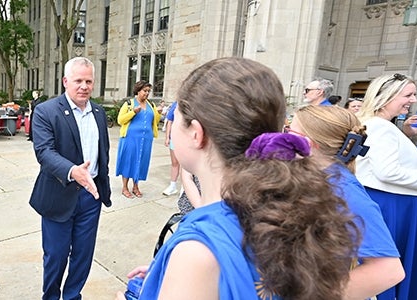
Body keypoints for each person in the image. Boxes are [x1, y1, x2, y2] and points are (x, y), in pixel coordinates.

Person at [117, 57, 360, 299]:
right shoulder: (284, 210)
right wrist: (170, 277)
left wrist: (188, 271)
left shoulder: (198, 251)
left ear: (196, 134)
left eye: (177, 118)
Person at [287, 105, 404, 299]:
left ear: (307, 143)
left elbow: (388, 270)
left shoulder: (343, 192)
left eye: (289, 132)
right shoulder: (317, 178)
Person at [29, 57, 111, 300]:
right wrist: (73, 171)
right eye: (78, 81)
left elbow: (102, 152)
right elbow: (44, 152)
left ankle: (73, 295)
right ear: (65, 81)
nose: (84, 86)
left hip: (90, 197)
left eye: (89, 81)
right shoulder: (46, 111)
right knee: (56, 255)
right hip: (59, 195)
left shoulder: (98, 112)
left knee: (83, 254)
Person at [355, 73, 417, 300]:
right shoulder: (380, 126)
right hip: (394, 206)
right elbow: (387, 171)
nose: (413, 100)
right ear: (387, 97)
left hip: (395, 204)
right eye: (408, 95)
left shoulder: (381, 125)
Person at [115, 80, 162, 198]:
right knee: (128, 161)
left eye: (148, 91)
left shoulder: (151, 105)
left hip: (146, 139)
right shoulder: (129, 104)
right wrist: (133, 112)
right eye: (144, 91)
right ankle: (125, 187)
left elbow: (154, 122)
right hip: (130, 138)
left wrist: (159, 113)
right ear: (138, 90)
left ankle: (136, 186)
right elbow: (120, 120)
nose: (146, 93)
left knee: (141, 161)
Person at [162, 101, 179, 196]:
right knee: (175, 162)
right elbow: (169, 120)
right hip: (175, 137)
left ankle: (185, 189)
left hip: (187, 139)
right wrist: (167, 137)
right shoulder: (176, 104)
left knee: (186, 165)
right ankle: (173, 186)